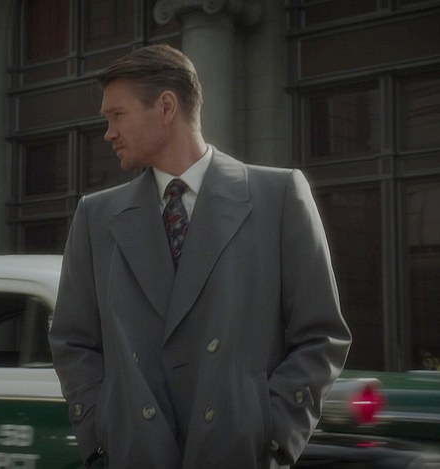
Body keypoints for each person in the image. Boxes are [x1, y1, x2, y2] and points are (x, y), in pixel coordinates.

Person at [48, 44, 352, 468]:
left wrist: (272, 437)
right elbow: (72, 342)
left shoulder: (278, 196)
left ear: (166, 107)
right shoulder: (95, 217)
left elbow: (320, 335)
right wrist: (102, 438)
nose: (108, 133)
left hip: (238, 454)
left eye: (117, 115)